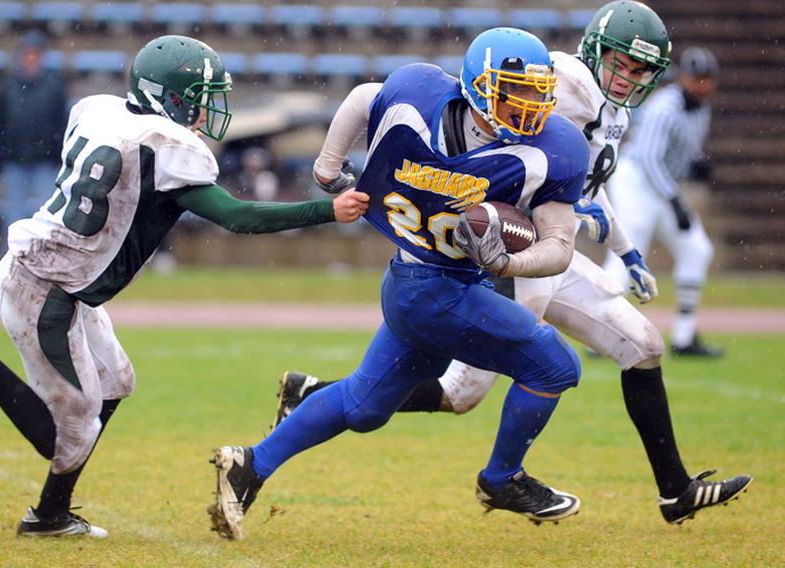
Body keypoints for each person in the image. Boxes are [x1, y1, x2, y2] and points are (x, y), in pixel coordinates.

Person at [272, 2, 751, 526]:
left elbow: (577, 187)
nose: (629, 78)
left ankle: (674, 490)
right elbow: (506, 140)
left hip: (545, 252)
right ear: (595, 52)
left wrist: (625, 250)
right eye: (622, 64)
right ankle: (339, 404)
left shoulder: (615, 113)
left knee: (644, 346)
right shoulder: (565, 82)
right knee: (465, 393)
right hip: (503, 250)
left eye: (641, 71)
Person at [0, 35, 369, 538]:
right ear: (172, 99)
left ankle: (50, 515)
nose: (208, 113)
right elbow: (237, 215)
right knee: (67, 436)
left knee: (117, 381)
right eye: (200, 100)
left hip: (58, 276)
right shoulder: (167, 146)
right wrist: (326, 211)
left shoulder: (101, 110)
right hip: (46, 290)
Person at [210, 28, 591, 541]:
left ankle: (248, 466)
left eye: (537, 91)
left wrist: (508, 265)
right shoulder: (419, 98)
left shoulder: (555, 147)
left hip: (421, 285)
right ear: (479, 85)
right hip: (431, 287)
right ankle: (502, 479)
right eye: (516, 89)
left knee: (365, 408)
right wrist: (327, 171)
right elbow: (363, 98)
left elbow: (559, 246)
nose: (530, 104)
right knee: (555, 366)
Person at [603, 46, 723, 356]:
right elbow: (648, 159)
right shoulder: (663, 107)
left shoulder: (702, 109)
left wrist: (697, 162)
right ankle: (602, 332)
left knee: (697, 249)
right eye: (697, 78)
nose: (702, 85)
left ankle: (684, 337)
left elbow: (680, 152)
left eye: (707, 79)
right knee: (629, 250)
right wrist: (676, 202)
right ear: (683, 77)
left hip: (662, 186)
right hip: (636, 182)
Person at [0, 30, 69, 256]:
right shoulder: (8, 86)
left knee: (45, 215)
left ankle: (42, 258)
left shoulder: (54, 86)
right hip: (14, 160)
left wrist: (57, 153)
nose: (31, 58)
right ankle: (11, 258)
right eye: (28, 54)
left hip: (44, 160)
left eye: (35, 54)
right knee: (12, 214)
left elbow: (60, 122)